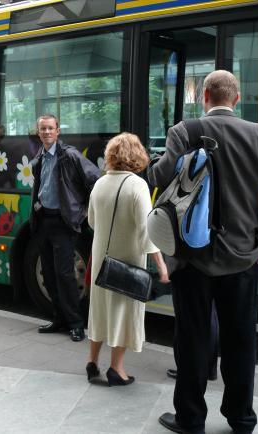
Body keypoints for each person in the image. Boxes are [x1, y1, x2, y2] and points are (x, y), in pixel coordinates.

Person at [148, 70, 258, 434]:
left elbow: (159, 178)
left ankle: (190, 420)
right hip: (243, 258)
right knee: (241, 342)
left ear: (205, 96)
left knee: (192, 340)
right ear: (237, 98)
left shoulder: (184, 130)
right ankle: (241, 419)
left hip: (193, 258)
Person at [85, 132, 169, 386]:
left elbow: (91, 221)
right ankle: (116, 369)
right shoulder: (137, 185)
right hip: (128, 260)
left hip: (102, 257)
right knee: (122, 311)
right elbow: (147, 230)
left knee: (99, 310)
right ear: (137, 155)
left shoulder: (100, 183)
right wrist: (162, 266)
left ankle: (92, 362)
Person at [31, 114, 100, 342]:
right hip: (43, 221)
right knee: (48, 274)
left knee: (65, 274)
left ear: (58, 131)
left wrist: (82, 212)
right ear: (38, 132)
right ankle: (59, 319)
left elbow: (95, 180)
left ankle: (76, 324)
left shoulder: (69, 155)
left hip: (63, 223)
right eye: (43, 129)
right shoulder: (40, 157)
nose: (47, 132)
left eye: (50, 128)